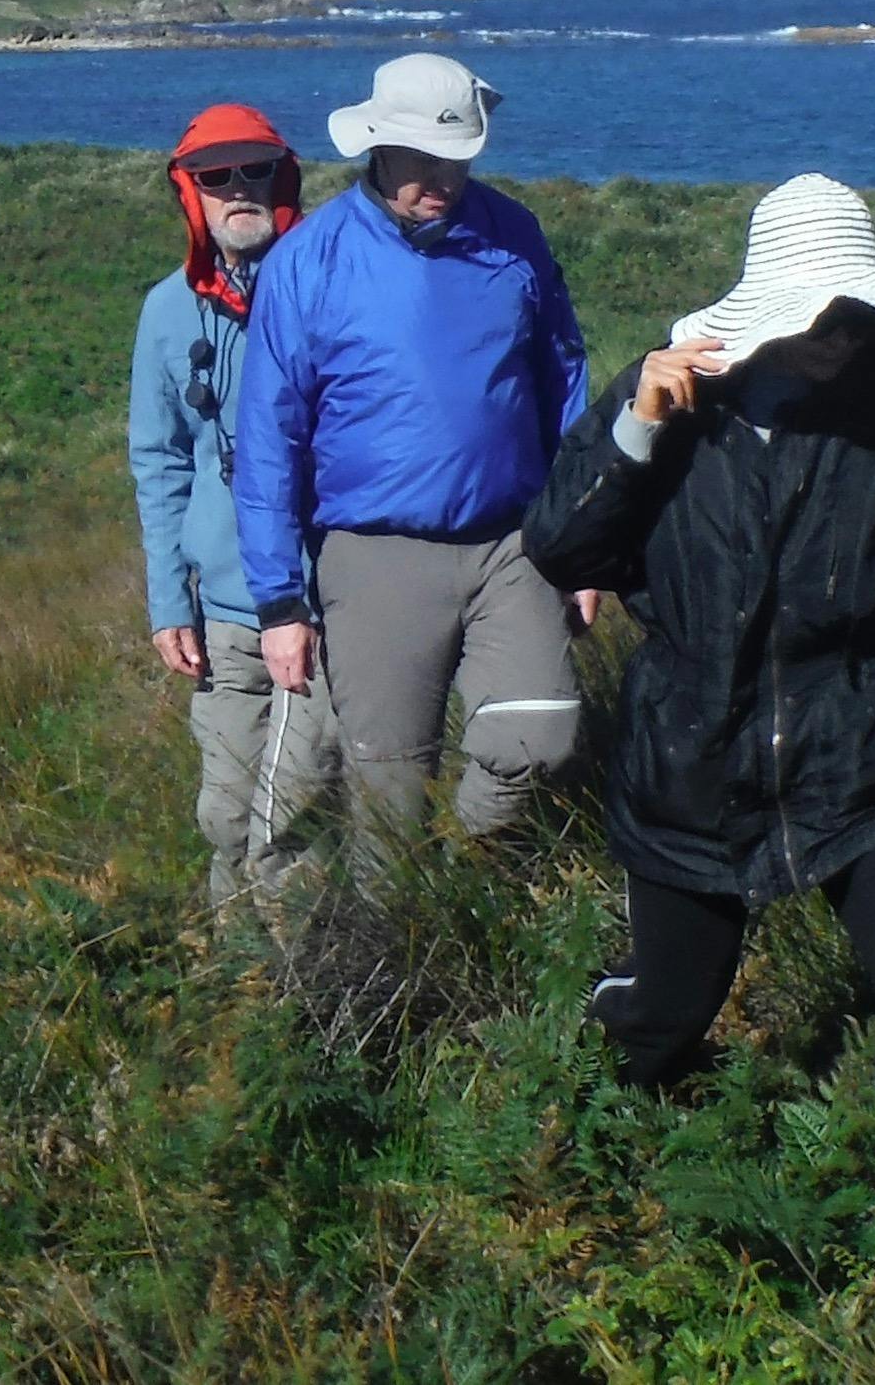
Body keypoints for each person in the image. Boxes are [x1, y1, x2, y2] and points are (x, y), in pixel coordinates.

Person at [523, 173, 875, 1271]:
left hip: (854, 750)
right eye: (828, 318)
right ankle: (557, 1128)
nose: (841, 339)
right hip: (690, 754)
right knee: (670, 1004)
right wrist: (636, 433)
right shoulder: (667, 400)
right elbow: (564, 548)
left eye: (855, 319)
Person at [234, 52, 597, 870]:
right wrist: (278, 603)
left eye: (457, 158)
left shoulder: (516, 237)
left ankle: (468, 866)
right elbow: (269, 436)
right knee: (388, 803)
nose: (441, 177)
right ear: (377, 147)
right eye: (422, 158)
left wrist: (584, 540)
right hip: (373, 555)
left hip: (513, 543)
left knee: (543, 734)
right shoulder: (309, 260)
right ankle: (397, 961)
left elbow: (563, 381)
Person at [128, 103, 338, 913]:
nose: (238, 189)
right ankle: (239, 980)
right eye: (216, 176)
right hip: (221, 615)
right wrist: (164, 599)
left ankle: (309, 995)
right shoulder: (166, 312)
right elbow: (159, 459)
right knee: (224, 817)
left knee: (293, 823)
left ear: (283, 181)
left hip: (321, 610)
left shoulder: (328, 290)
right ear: (190, 194)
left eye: (256, 171)